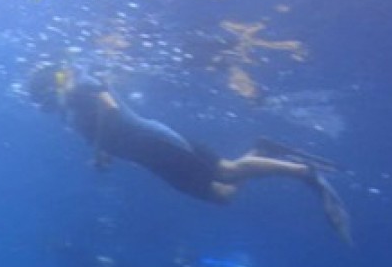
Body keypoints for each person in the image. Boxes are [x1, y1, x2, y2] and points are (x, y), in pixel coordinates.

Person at [26, 61, 351, 244]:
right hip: (153, 159)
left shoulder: (80, 89)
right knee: (222, 195)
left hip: (159, 144)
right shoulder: (73, 108)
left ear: (50, 88)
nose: (46, 107)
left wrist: (98, 151)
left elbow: (110, 110)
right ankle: (262, 149)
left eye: (43, 99)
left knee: (225, 171)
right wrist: (104, 151)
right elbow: (106, 127)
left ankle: (306, 173)